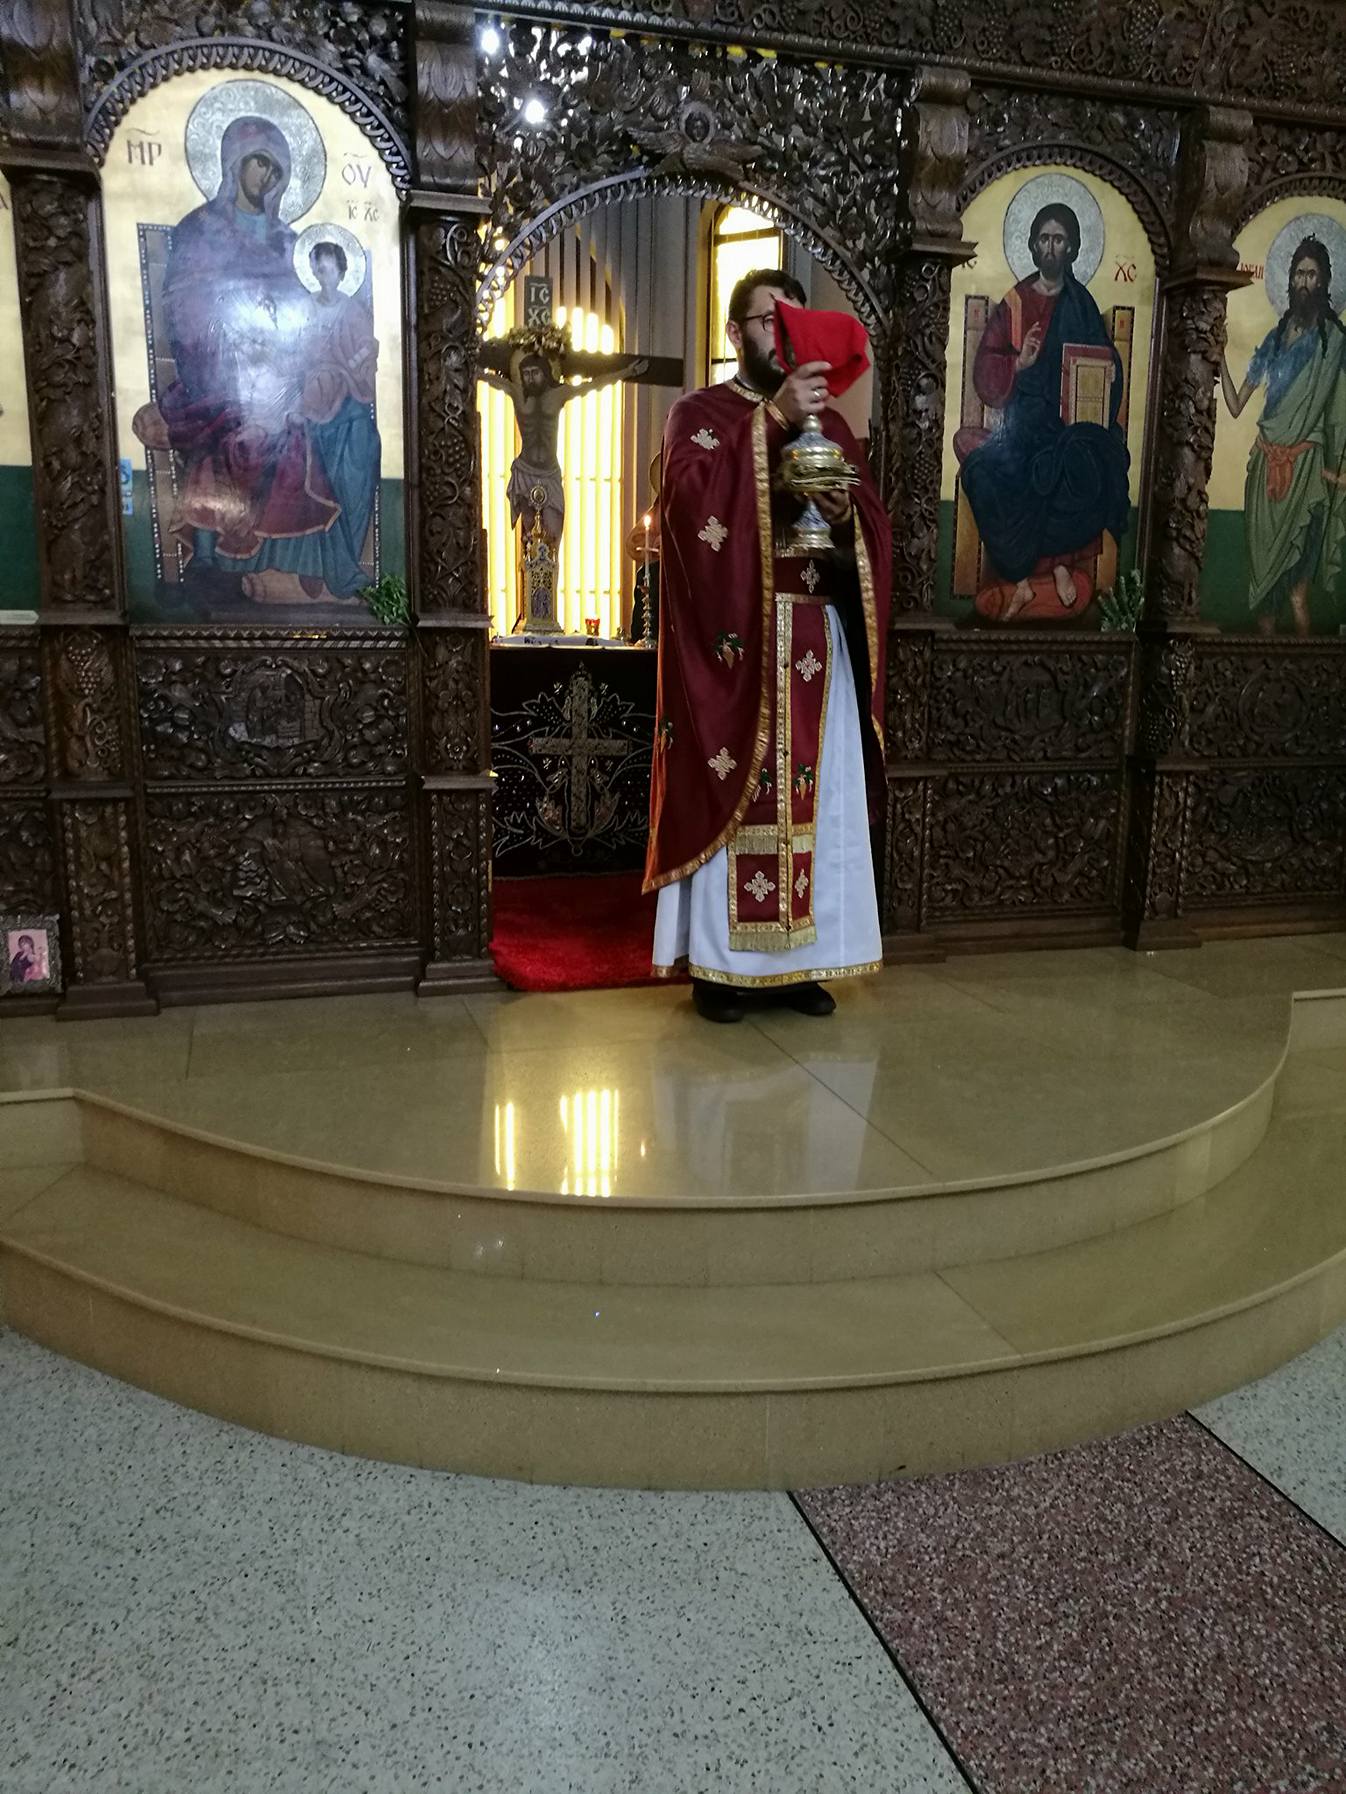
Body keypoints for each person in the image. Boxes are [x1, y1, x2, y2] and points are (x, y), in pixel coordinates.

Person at [645, 270, 890, 1023]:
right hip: (737, 650)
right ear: (735, 333)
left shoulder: (833, 424)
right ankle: (721, 970)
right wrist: (773, 420)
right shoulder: (699, 414)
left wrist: (843, 515)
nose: (784, 337)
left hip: (817, 644)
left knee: (820, 803)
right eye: (768, 322)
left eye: (795, 323)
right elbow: (687, 507)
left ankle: (800, 965)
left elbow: (873, 535)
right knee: (739, 794)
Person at [134, 116, 379, 605]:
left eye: (274, 169)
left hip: (282, 378)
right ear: (234, 162)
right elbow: (182, 306)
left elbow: (307, 319)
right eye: (259, 163)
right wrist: (230, 335)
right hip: (214, 374)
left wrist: (296, 365)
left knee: (305, 436)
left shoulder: (289, 242)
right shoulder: (199, 229)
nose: (266, 176)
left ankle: (292, 567)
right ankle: (213, 561)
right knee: (232, 431)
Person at [954, 202, 1130, 622]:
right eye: (1045, 239)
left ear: (1072, 248)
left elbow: (1106, 362)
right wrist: (1018, 363)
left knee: (1080, 465)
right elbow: (985, 367)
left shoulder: (1080, 304)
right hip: (1022, 426)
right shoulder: (1015, 303)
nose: (1051, 248)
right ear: (1033, 245)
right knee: (981, 471)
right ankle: (1029, 577)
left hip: (1070, 425)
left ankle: (1054, 568)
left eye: (1060, 240)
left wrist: (1103, 372)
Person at [1221, 234, 1346, 635]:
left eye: (1311, 274)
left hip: (1306, 474)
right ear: (1289, 280)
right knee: (1264, 598)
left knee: (1297, 595)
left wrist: (1336, 471)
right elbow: (1237, 405)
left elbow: (1340, 413)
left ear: (1324, 281)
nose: (1303, 282)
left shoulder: (1335, 343)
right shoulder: (1275, 339)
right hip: (1265, 472)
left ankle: (1303, 669)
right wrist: (1218, 354)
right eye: (1298, 274)